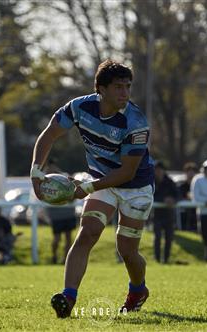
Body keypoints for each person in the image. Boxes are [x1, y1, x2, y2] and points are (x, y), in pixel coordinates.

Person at [30, 60, 154, 318]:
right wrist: (36, 172)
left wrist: (86, 187)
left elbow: (127, 172)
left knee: (127, 250)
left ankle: (138, 290)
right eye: (118, 87)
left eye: (128, 86)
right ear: (101, 89)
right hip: (102, 179)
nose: (125, 93)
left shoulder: (135, 121)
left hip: (136, 186)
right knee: (87, 233)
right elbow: (49, 134)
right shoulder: (79, 107)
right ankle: (68, 297)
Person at [43, 159, 77, 265]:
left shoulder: (64, 177)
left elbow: (73, 195)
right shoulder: (44, 181)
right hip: (55, 215)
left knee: (68, 237)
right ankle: (54, 256)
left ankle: (66, 259)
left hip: (68, 213)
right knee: (57, 238)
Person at [152, 161, 178, 264]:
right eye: (156, 170)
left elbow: (177, 194)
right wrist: (164, 199)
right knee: (157, 237)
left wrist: (173, 200)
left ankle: (166, 260)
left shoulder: (170, 182)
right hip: (157, 214)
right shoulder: (151, 182)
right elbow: (150, 195)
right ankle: (157, 259)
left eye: (160, 169)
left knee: (169, 238)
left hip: (169, 214)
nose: (158, 172)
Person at [177, 162, 198, 231]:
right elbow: (179, 198)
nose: (191, 174)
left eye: (192, 172)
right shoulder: (181, 186)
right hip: (184, 212)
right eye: (189, 172)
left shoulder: (199, 187)